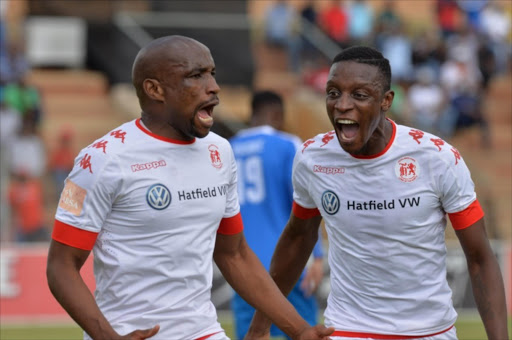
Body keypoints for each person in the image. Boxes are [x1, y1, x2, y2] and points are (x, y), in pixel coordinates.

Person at [45, 35, 334, 340]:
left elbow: (234, 254)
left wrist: (299, 329)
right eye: (196, 76)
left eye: (212, 73)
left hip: (203, 332)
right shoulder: (100, 160)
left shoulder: (220, 152)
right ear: (154, 89)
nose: (213, 86)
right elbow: (61, 267)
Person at [247, 46, 508, 339]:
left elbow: (479, 256)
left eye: (359, 95)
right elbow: (298, 237)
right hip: (348, 328)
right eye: (333, 93)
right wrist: (259, 327)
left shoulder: (436, 158)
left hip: (429, 331)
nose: (342, 105)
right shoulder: (313, 158)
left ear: (386, 100)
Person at [229, 90, 324, 340]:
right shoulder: (286, 144)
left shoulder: (227, 149)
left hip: (241, 266)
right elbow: (305, 203)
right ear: (277, 115)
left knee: (250, 335)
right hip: (287, 264)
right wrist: (317, 256)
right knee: (302, 332)